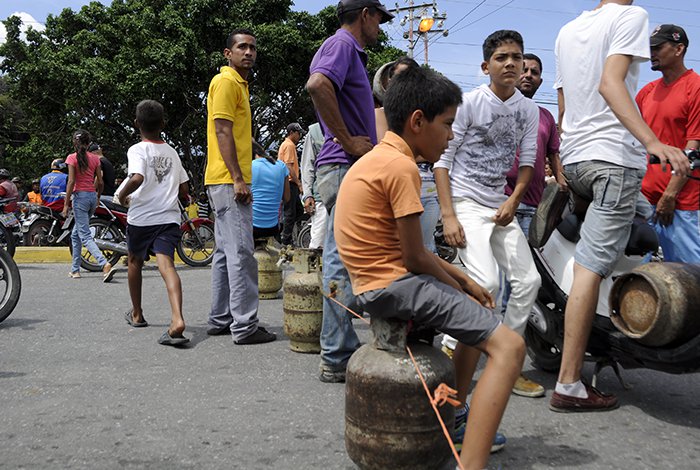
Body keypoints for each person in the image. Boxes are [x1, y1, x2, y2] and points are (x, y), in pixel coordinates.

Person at [334, 65, 524, 469]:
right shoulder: (401, 168)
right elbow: (414, 259)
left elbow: (415, 252)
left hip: (375, 282)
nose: (452, 135)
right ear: (417, 121)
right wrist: (458, 285)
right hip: (392, 286)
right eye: (448, 124)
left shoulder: (376, 159)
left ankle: (452, 413)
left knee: (479, 316)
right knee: (510, 346)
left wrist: (465, 281)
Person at [551, 0, 689, 412]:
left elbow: (563, 105)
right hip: (613, 160)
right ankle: (570, 383)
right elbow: (611, 84)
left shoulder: (568, 30)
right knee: (589, 269)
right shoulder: (632, 16)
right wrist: (652, 143)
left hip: (576, 158)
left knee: (633, 234)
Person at [434, 30, 544, 401]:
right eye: (502, 58)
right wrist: (449, 216)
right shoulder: (468, 104)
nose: (511, 63)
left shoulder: (530, 110)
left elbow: (528, 163)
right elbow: (442, 162)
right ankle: (450, 346)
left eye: (517, 56)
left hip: (500, 204)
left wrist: (513, 201)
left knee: (529, 282)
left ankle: (505, 362)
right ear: (486, 66)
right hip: (465, 201)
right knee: (486, 283)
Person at [306, 0, 394, 383]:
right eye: (379, 18)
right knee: (341, 258)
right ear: (365, 15)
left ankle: (341, 347)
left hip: (347, 166)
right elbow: (317, 84)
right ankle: (337, 355)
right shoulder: (341, 44)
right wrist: (347, 140)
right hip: (342, 166)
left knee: (353, 255)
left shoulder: (353, 53)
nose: (380, 27)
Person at [205, 28, 275, 344]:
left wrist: (261, 152)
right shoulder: (226, 82)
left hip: (223, 179)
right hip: (228, 180)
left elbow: (238, 133)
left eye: (252, 48)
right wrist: (237, 178)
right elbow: (222, 132)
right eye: (242, 47)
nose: (248, 52)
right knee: (242, 252)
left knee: (224, 252)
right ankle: (245, 326)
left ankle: (220, 319)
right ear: (228, 53)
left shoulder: (239, 86)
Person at [118, 100, 190, 346]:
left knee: (135, 262)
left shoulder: (137, 149)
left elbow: (137, 177)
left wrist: (121, 195)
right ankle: (177, 319)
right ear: (163, 124)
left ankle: (137, 314)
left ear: (136, 123)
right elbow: (184, 189)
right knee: (167, 265)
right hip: (168, 218)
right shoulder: (172, 152)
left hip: (142, 218)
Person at [636, 24, 700, 263]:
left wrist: (670, 194)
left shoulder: (695, 87)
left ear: (678, 49)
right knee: (639, 279)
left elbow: (693, 149)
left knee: (688, 279)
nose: (651, 53)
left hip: (681, 203)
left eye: (658, 48)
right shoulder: (646, 92)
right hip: (644, 200)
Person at [63, 129, 116, 282]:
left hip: (80, 197)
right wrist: (98, 197)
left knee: (85, 235)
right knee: (76, 234)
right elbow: (100, 181)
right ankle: (75, 270)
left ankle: (104, 263)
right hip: (92, 197)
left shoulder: (71, 158)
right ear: (88, 143)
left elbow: (71, 182)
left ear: (75, 142)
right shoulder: (95, 159)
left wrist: (66, 204)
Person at [252, 142, 290, 239]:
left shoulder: (249, 166)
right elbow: (287, 198)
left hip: (251, 227)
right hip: (273, 228)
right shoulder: (281, 166)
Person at [300, 122, 328, 250]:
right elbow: (307, 166)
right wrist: (307, 195)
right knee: (318, 243)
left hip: (350, 197)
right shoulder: (315, 131)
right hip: (322, 197)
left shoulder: (354, 123)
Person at [278, 122, 304, 245]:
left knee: (298, 210)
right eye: (298, 134)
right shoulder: (289, 145)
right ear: (292, 133)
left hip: (287, 182)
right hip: (289, 182)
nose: (299, 136)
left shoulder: (286, 144)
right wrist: (298, 183)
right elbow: (289, 166)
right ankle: (285, 239)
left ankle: (284, 231)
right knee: (290, 212)